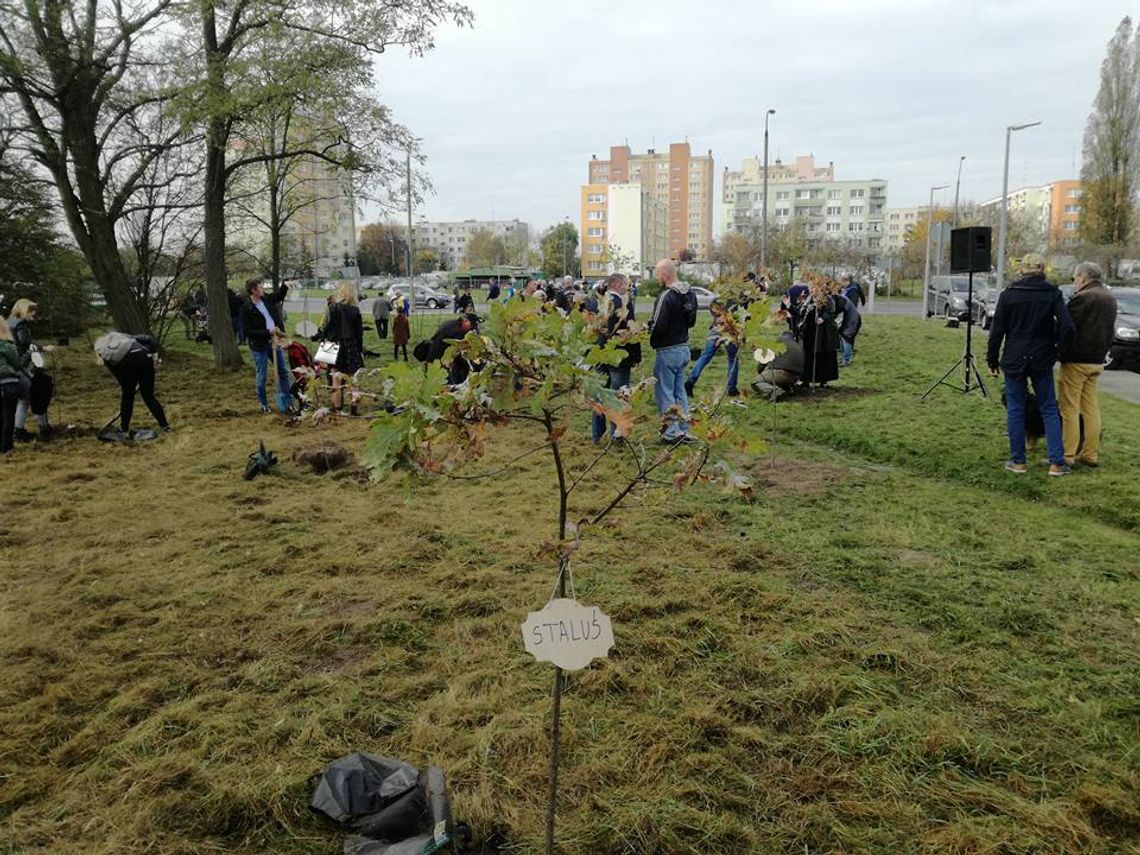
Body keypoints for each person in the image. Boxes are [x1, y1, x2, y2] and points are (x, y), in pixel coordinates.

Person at [986, 253, 1075, 476]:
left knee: (1015, 410)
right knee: (1049, 409)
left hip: (1014, 358)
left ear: (1022, 269)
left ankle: (1018, 462)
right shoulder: (1053, 293)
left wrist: (992, 359)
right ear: (1042, 269)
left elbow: (997, 330)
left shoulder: (1009, 295)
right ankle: (1056, 463)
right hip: (1042, 358)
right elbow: (1068, 328)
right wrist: (1057, 351)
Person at [1058, 261, 1117, 468]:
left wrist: (1058, 351)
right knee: (1090, 408)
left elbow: (1068, 328)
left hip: (1076, 360)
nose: (1074, 282)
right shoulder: (1109, 298)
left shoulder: (1082, 298)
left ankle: (1068, 454)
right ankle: (1090, 454)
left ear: (1083, 277)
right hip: (1097, 361)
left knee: (1069, 408)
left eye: (1075, 278)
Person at [649, 258, 698, 442]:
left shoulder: (667, 296)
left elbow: (658, 325)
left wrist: (652, 339)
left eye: (657, 274)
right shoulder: (690, 293)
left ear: (664, 274)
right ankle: (684, 429)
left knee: (665, 392)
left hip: (668, 350)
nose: (656, 278)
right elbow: (692, 322)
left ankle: (670, 433)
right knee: (680, 392)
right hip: (683, 348)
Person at [591, 273, 640, 442]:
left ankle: (597, 434)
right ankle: (617, 434)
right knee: (620, 395)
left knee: (599, 394)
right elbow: (631, 332)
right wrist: (636, 356)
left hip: (599, 353)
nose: (628, 287)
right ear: (618, 285)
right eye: (626, 284)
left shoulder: (600, 302)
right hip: (619, 356)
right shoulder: (623, 304)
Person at [94, 332, 170, 436]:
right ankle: (165, 426)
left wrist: (127, 386)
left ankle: (124, 428)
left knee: (127, 397)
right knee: (148, 396)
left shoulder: (105, 354)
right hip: (144, 357)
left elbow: (119, 374)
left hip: (128, 363)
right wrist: (154, 359)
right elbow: (149, 339)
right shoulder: (126, 337)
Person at [239, 279, 293, 414]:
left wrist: (285, 286)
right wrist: (267, 332)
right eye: (260, 288)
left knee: (283, 372)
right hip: (259, 346)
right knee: (261, 375)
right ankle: (264, 404)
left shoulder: (266, 299)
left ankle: (287, 402)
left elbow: (278, 296)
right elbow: (248, 332)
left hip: (275, 342)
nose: (263, 289)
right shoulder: (247, 309)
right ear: (253, 291)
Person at [7, 298, 53, 441]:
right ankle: (44, 429)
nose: (34, 314)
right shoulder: (21, 324)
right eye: (31, 310)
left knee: (24, 398)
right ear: (24, 309)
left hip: (10, 365)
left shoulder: (9, 321)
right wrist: (43, 348)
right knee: (38, 394)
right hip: (22, 365)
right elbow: (25, 342)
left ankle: (18, 430)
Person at [322, 282, 365, 415]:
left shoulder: (332, 308)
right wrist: (360, 350)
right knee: (353, 378)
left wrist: (323, 340)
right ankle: (354, 405)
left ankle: (337, 408)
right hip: (351, 345)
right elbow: (359, 333)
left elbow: (327, 328)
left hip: (333, 345)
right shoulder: (355, 310)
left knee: (336, 377)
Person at [685, 298, 740, 397]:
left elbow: (714, 312)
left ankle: (690, 383)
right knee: (733, 359)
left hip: (716, 329)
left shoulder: (717, 300)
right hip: (730, 332)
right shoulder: (736, 300)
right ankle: (732, 388)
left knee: (704, 356)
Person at [797, 282, 840, 386]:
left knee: (823, 356)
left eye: (815, 289)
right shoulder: (809, 298)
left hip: (823, 334)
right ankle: (806, 380)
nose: (813, 291)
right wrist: (808, 308)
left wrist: (823, 318)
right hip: (810, 332)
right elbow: (801, 311)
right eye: (811, 289)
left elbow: (831, 311)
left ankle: (823, 380)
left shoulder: (828, 299)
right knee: (808, 355)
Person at [0, 316, 29, 453]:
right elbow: (17, 364)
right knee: (8, 415)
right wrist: (28, 354)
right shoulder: (6, 345)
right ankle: (7, 446)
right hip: (8, 383)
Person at [751, 332, 804, 400]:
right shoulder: (798, 345)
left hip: (782, 373)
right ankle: (788, 388)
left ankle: (775, 392)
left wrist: (759, 372)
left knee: (756, 382)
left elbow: (763, 361)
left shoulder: (776, 342)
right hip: (796, 377)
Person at [429, 313, 478, 384]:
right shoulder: (455, 331)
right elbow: (458, 351)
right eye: (471, 326)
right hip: (440, 357)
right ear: (465, 321)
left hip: (440, 355)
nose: (471, 329)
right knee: (447, 382)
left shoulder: (453, 323)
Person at [836, 290, 862, 366]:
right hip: (851, 320)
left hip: (852, 321)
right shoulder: (840, 298)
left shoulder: (841, 300)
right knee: (844, 338)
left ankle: (846, 361)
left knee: (847, 339)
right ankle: (844, 358)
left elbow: (840, 316)